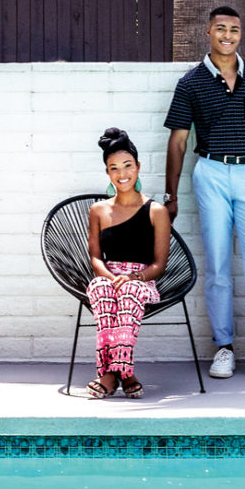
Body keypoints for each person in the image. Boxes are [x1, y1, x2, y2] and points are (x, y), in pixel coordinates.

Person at [163, 5, 245, 381]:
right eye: (221, 28)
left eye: (234, 29)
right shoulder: (191, 82)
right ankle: (224, 348)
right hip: (211, 173)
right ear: (208, 32)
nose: (227, 35)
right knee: (217, 264)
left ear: (240, 34)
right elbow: (178, 141)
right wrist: (171, 195)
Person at [85, 128, 170, 399]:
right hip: (108, 276)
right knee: (100, 289)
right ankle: (124, 373)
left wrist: (134, 278)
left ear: (138, 167)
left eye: (127, 166)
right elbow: (96, 258)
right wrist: (112, 278)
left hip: (141, 280)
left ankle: (110, 374)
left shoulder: (156, 210)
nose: (122, 173)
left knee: (129, 292)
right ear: (107, 173)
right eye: (114, 168)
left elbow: (160, 264)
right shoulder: (98, 210)